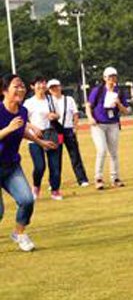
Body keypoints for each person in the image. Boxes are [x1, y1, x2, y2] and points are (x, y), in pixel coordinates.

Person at [0, 74, 58, 251]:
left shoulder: (23, 111)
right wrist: (8, 129)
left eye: (22, 86)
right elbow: (13, 129)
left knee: (27, 200)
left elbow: (21, 130)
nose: (21, 89)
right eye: (16, 86)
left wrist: (40, 142)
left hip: (11, 166)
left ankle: (19, 233)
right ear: (4, 91)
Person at [86, 67, 131, 189]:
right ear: (104, 78)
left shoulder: (119, 92)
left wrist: (119, 104)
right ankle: (98, 178)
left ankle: (115, 177)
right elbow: (88, 105)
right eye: (109, 77)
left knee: (113, 152)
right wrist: (90, 117)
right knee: (101, 150)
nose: (112, 79)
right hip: (98, 124)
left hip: (113, 124)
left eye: (114, 77)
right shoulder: (98, 90)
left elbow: (126, 111)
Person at [23, 76, 63, 200]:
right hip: (35, 138)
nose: (42, 86)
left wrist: (54, 116)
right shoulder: (29, 103)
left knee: (55, 165)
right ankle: (36, 187)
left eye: (44, 83)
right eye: (39, 83)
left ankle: (55, 190)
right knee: (39, 166)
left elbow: (58, 114)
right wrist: (33, 128)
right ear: (32, 86)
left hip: (51, 134)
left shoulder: (51, 100)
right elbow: (23, 120)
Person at [47, 79, 88, 187]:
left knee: (74, 155)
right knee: (56, 156)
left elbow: (75, 114)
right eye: (52, 88)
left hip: (68, 130)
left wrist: (75, 127)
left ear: (60, 87)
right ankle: (54, 182)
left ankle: (82, 179)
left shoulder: (68, 99)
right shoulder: (48, 101)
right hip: (56, 132)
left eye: (56, 86)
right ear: (49, 90)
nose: (55, 89)